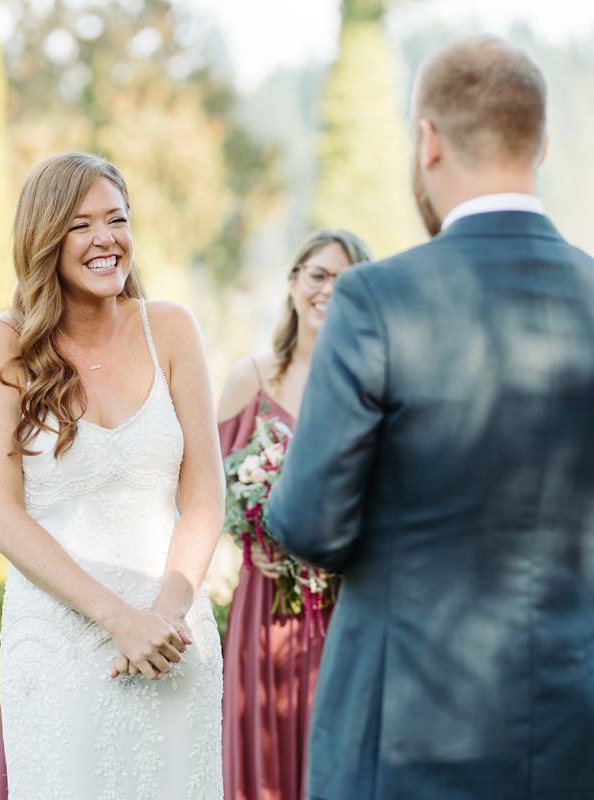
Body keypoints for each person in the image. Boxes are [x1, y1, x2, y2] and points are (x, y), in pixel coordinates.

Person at [266, 35, 594, 799]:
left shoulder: (377, 302)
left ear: (427, 141)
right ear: (542, 144)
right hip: (580, 726)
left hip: (405, 730)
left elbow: (308, 524)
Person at [0, 152, 224, 798]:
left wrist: (165, 614)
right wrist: (118, 620)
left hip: (174, 638)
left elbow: (204, 493)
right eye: (82, 225)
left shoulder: (172, 329)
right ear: (45, 238)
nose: (106, 239)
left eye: (117, 219)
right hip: (59, 648)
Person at [218, 228, 370, 800]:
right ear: (292, 284)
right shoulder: (249, 382)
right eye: (318, 275)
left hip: (346, 610)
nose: (329, 290)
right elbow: (205, 493)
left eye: (346, 280)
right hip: (263, 610)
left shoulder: (371, 388)